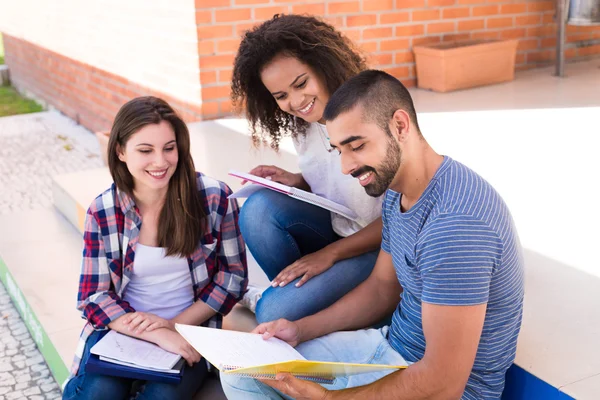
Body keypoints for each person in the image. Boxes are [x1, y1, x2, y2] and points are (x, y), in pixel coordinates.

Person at [221, 70, 525, 399]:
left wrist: (327, 398)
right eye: (340, 150)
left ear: (400, 125)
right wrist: (298, 330)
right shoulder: (399, 190)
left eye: (357, 146)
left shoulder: (456, 227)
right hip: (390, 350)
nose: (346, 167)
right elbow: (380, 289)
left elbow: (443, 383)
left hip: (448, 389)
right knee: (246, 374)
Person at [63, 96, 248, 400]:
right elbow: (92, 295)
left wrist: (174, 326)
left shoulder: (213, 198)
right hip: (122, 330)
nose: (160, 162)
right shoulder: (104, 210)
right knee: (99, 392)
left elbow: (232, 278)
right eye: (145, 150)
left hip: (189, 330)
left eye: (169, 148)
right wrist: (155, 333)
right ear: (121, 151)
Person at [232, 14, 384, 324]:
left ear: (323, 64)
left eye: (301, 83)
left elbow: (402, 220)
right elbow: (342, 182)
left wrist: (328, 255)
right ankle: (299, 293)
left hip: (381, 252)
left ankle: (296, 303)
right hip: (337, 231)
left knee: (273, 313)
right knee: (257, 210)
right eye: (281, 96)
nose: (296, 101)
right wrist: (297, 181)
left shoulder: (374, 117)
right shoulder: (304, 126)